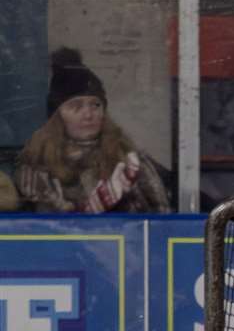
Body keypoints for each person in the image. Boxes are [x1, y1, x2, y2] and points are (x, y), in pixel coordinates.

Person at [18, 48, 171, 213]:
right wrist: (95, 207)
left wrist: (128, 201)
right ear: (57, 117)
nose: (88, 114)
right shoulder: (36, 167)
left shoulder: (129, 161)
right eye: (76, 106)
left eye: (95, 105)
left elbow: (162, 221)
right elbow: (40, 228)